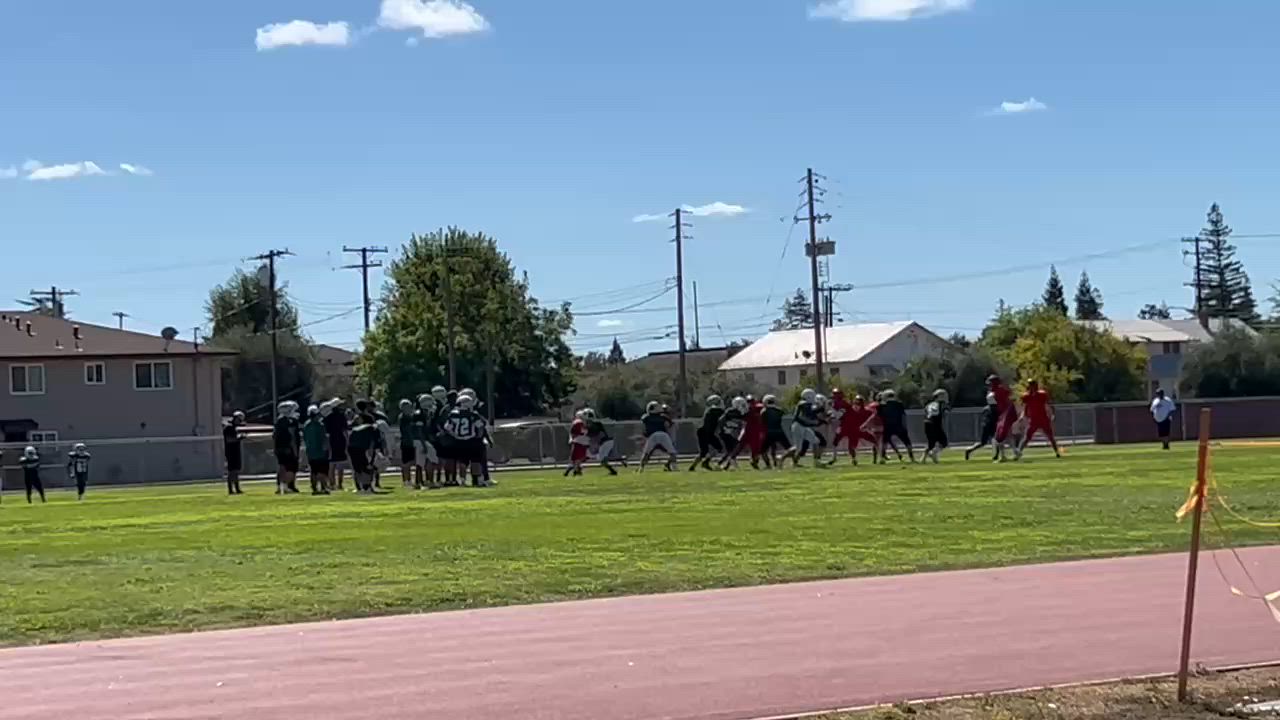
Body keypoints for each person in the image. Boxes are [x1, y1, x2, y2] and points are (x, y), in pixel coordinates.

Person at [445, 394, 489, 486]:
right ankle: (476, 480)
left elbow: (448, 428)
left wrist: (455, 435)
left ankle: (463, 480)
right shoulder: (473, 414)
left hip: (459, 441)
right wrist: (478, 437)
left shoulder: (453, 414)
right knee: (475, 461)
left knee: (462, 462)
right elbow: (480, 427)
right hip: (471, 440)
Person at [1018, 380, 1061, 458]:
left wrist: (1052, 414)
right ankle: (1018, 452)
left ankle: (1057, 452)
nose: (1031, 387)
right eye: (1030, 385)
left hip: (1043, 419)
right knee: (1027, 437)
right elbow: (1025, 406)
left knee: (1050, 436)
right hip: (1033, 420)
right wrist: (1022, 415)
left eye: (1033, 385)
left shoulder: (1042, 395)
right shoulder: (1027, 396)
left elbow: (1048, 404)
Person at [638, 401, 678, 472]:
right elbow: (669, 425)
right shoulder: (663, 417)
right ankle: (674, 467)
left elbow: (643, 428)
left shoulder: (646, 417)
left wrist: (645, 435)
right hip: (663, 434)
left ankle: (641, 468)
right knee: (672, 453)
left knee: (646, 453)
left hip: (653, 435)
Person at [877, 390, 916, 463]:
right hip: (899, 426)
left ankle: (882, 459)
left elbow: (880, 416)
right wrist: (905, 426)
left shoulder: (881, 406)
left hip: (888, 426)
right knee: (907, 442)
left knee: (884, 442)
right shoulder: (899, 404)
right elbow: (903, 416)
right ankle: (912, 458)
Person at [690, 395, 726, 471]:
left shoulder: (709, 410)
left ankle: (694, 466)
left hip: (703, 431)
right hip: (707, 432)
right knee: (717, 448)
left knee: (705, 451)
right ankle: (705, 462)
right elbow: (722, 419)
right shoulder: (717, 411)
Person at [273, 401, 302, 494]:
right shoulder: (290, 421)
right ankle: (287, 485)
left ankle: (280, 486)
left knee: (282, 467)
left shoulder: (279, 421)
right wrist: (295, 451)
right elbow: (292, 436)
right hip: (289, 449)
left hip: (280, 448)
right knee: (291, 468)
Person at [347, 413, 380, 494]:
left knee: (363, 469)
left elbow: (373, 441)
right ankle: (363, 487)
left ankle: (365, 486)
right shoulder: (360, 428)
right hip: (357, 449)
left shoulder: (369, 428)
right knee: (361, 469)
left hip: (362, 449)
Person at [759, 395, 796, 467]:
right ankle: (794, 462)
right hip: (779, 431)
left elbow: (762, 422)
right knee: (789, 448)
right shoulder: (779, 410)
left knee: (763, 451)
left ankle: (768, 465)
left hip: (769, 432)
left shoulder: (763, 411)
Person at [964, 389, 1000, 462]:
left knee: (983, 442)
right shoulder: (996, 408)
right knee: (997, 440)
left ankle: (969, 450)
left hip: (985, 425)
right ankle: (996, 455)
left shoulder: (986, 408)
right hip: (992, 425)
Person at [303, 405, 331, 495]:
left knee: (313, 471)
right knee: (322, 470)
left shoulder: (306, 425)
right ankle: (323, 487)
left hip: (310, 452)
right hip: (320, 452)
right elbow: (324, 439)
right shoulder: (320, 425)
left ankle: (314, 488)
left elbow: (305, 438)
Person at [322, 399, 350, 491]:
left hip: (331, 441)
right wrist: (348, 442)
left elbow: (326, 433)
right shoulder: (342, 417)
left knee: (331, 464)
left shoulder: (327, 418)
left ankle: (332, 483)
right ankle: (340, 484)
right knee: (340, 464)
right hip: (340, 441)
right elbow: (345, 431)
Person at [582, 408, 619, 476]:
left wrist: (585, 433)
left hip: (606, 442)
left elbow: (593, 433)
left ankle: (614, 471)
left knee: (602, 459)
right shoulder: (594, 423)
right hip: (606, 442)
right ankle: (615, 467)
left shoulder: (594, 424)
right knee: (602, 459)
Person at [790, 389, 822, 467]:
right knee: (798, 448)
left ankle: (816, 462)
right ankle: (786, 459)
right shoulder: (803, 403)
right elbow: (809, 413)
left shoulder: (806, 404)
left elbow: (811, 413)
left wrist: (819, 409)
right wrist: (819, 407)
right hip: (798, 426)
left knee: (816, 441)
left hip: (804, 426)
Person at [414, 394, 440, 488]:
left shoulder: (425, 413)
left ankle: (419, 482)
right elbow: (419, 430)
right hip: (420, 440)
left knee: (421, 462)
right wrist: (423, 444)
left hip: (422, 440)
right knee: (430, 460)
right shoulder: (419, 414)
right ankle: (428, 481)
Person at [718, 397, 749, 469]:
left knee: (732, 450)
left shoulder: (741, 413)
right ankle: (723, 464)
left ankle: (724, 465)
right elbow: (721, 421)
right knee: (732, 450)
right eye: (742, 404)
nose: (743, 406)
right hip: (726, 432)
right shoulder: (730, 412)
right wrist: (725, 428)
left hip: (732, 433)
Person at [922, 389, 950, 464]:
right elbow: (946, 411)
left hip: (927, 423)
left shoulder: (929, 404)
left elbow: (926, 413)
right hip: (935, 424)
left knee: (931, 443)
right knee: (944, 442)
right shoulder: (942, 404)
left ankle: (923, 459)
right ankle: (933, 453)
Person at [223, 410, 246, 495]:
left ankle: (237, 488)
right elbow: (229, 440)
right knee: (232, 471)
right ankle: (230, 489)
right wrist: (239, 438)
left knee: (236, 471)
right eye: (239, 420)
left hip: (235, 451)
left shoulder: (233, 428)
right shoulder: (229, 428)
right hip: (230, 452)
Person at [397, 399, 417, 489]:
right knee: (406, 463)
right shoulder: (403, 418)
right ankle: (406, 480)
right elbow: (407, 430)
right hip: (406, 442)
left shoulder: (410, 416)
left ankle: (409, 480)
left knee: (411, 462)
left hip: (411, 442)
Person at [566, 410, 590, 476]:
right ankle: (575, 469)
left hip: (581, 441)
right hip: (579, 441)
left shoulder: (580, 422)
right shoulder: (578, 422)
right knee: (577, 457)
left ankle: (575, 468)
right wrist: (572, 438)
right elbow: (576, 432)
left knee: (579, 457)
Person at [743, 395, 765, 469]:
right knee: (754, 448)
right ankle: (754, 461)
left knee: (756, 448)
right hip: (750, 430)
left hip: (755, 430)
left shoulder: (757, 407)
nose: (750, 403)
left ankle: (755, 461)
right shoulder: (748, 409)